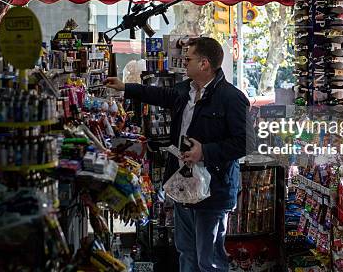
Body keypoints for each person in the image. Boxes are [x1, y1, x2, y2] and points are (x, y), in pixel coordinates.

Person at [104, 37, 250, 272]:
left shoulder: (232, 98)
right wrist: (125, 87)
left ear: (204, 64)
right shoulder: (185, 90)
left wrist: (205, 151)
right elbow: (159, 95)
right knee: (187, 254)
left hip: (213, 191)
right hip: (183, 185)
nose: (184, 62)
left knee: (209, 260)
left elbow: (245, 143)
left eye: (189, 58)